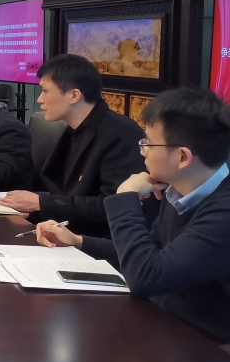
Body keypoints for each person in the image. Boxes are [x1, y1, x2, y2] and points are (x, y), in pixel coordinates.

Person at [35, 88, 230, 345]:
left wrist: (124, 197)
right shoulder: (178, 190)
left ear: (182, 157)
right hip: (163, 325)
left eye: (148, 143)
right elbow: (151, 253)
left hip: (204, 345)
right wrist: (79, 242)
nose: (142, 151)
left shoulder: (223, 213)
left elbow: (146, 277)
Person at [0, 54, 149, 236]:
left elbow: (113, 205)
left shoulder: (120, 133)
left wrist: (41, 203)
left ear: (74, 95)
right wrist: (33, 208)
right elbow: (63, 194)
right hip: (66, 231)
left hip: (99, 242)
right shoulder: (73, 129)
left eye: (45, 91)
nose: (40, 99)